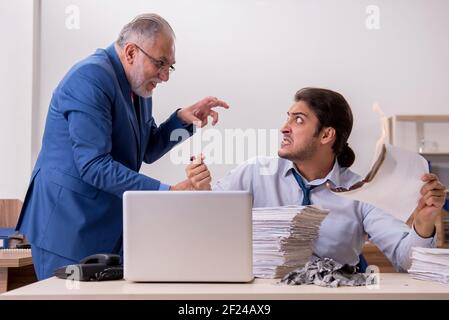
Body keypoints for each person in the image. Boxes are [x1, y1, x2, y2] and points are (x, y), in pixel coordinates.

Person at [16, 13, 229, 280]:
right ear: (131, 53)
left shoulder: (138, 87)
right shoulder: (89, 78)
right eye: (160, 63)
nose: (165, 76)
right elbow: (94, 166)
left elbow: (147, 149)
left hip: (107, 225)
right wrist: (168, 192)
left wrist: (182, 120)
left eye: (170, 66)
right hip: (67, 228)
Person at [186, 87, 446, 272]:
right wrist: (203, 192)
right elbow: (209, 227)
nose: (284, 127)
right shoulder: (254, 173)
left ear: (326, 135)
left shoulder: (360, 193)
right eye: (287, 117)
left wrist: (423, 224)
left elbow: (405, 261)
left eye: (298, 120)